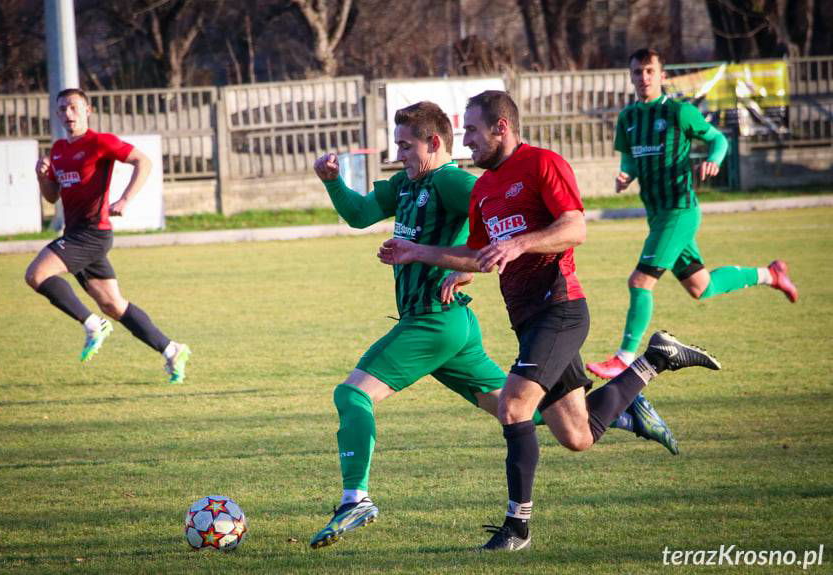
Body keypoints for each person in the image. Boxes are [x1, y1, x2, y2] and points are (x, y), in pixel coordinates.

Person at [308, 101, 676, 550]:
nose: (398, 153)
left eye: (405, 145)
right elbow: (359, 214)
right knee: (528, 411)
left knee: (352, 395)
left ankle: (356, 499)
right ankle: (618, 409)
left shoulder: (453, 181)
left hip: (435, 321)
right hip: (453, 328)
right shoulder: (407, 184)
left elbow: (493, 220)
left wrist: (465, 270)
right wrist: (332, 182)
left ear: (433, 142)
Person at [585, 48, 798, 380]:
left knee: (640, 281)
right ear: (631, 77)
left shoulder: (679, 112)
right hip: (658, 215)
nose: (643, 78)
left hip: (680, 210)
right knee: (702, 286)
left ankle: (623, 358)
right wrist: (625, 175)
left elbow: (718, 140)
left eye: (649, 71)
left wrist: (714, 159)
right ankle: (770, 274)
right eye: (637, 72)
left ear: (662, 75)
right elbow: (629, 159)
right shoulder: (628, 119)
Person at [26, 88, 191, 384]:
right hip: (75, 234)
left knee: (36, 274)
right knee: (114, 305)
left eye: (74, 107)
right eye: (62, 109)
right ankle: (172, 350)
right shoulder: (58, 150)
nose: (68, 114)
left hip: (93, 233)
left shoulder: (100, 142)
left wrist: (125, 199)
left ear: (87, 110)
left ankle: (93, 325)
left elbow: (143, 161)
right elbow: (52, 197)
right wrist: (42, 177)